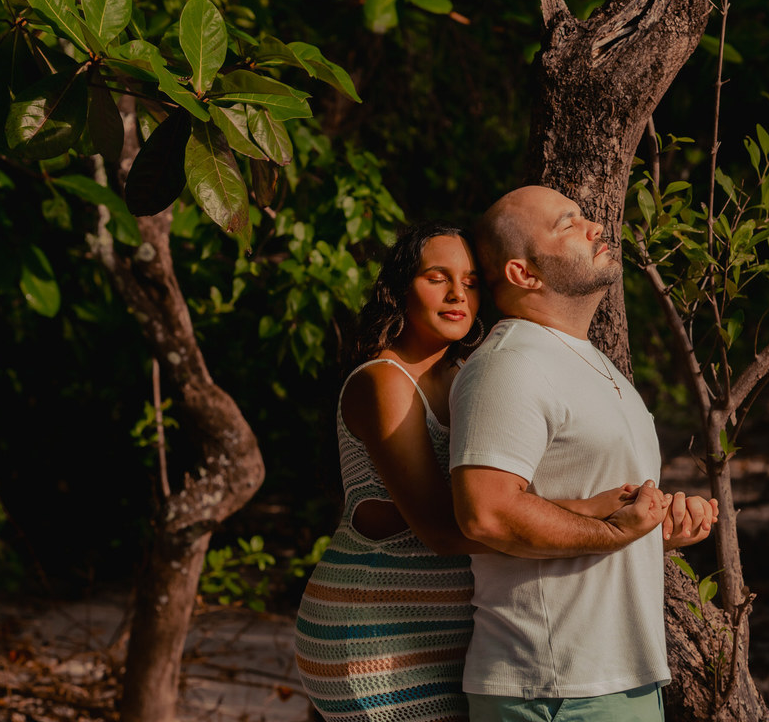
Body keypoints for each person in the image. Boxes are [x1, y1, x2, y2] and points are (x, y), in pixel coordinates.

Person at [293, 221, 640, 722]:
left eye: (472, 282)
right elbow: (440, 528)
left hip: (451, 636)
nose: (458, 293)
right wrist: (590, 516)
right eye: (437, 277)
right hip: (375, 632)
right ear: (398, 290)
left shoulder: (469, 377)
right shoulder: (384, 382)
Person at [449, 185, 718, 721]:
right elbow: (487, 512)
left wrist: (658, 530)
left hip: (619, 677)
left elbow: (582, 511)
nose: (595, 227)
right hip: (555, 685)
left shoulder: (593, 363)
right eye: (567, 225)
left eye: (585, 217)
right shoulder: (510, 364)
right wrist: (617, 532)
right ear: (524, 274)